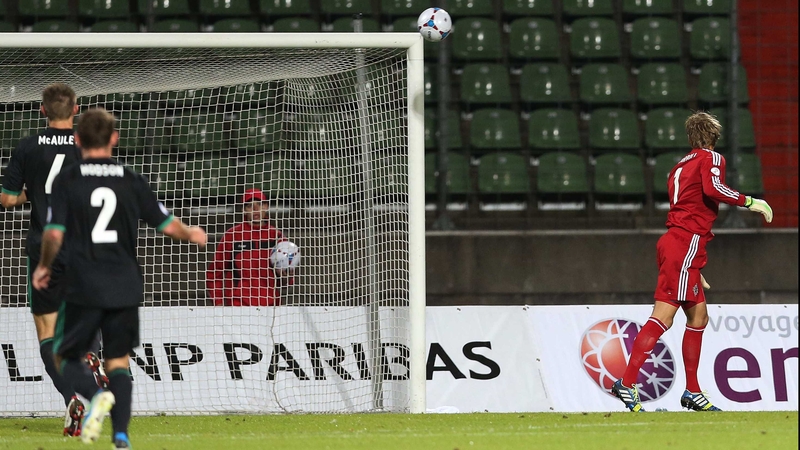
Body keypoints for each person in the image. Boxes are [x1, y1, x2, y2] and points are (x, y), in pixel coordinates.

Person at [32, 108, 207, 449]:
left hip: (83, 282)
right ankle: (121, 436)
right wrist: (192, 234)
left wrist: (43, 265)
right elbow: (165, 223)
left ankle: (97, 396)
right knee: (118, 362)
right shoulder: (131, 179)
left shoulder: (68, 180)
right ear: (114, 138)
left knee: (64, 357)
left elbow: (53, 233)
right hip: (125, 284)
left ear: (78, 139)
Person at [611, 111, 773, 413]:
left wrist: (693, 265)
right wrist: (751, 201)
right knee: (664, 317)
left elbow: (690, 202)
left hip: (679, 243)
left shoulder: (679, 166)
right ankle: (627, 381)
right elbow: (713, 190)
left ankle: (693, 391)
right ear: (713, 135)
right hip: (685, 243)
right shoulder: (711, 159)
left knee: (698, 317)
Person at [0, 83, 105, 436]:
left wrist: (33, 188)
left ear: (42, 111)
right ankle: (92, 353)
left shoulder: (28, 146)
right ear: (76, 110)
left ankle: (70, 398)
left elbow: (7, 200)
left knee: (47, 331)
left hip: (44, 247)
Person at [206, 188, 294, 306]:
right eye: (250, 205)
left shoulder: (277, 237)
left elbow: (287, 282)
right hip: (238, 308)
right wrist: (218, 304)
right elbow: (214, 273)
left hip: (270, 308)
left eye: (260, 204)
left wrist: (286, 276)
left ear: (266, 206)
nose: (256, 209)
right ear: (243, 210)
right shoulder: (232, 236)